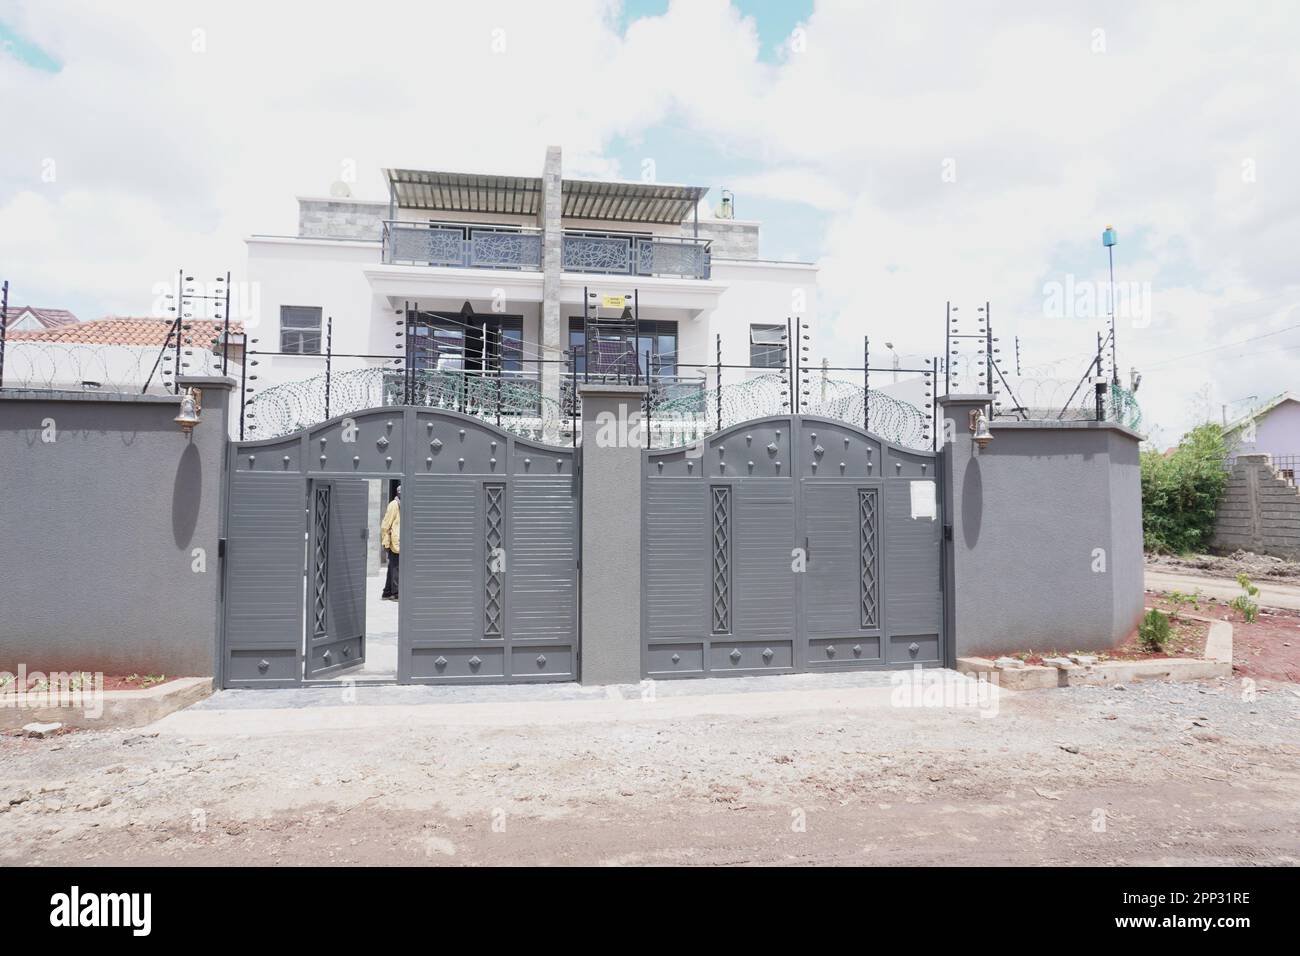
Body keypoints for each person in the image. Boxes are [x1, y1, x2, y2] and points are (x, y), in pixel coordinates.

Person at [380, 483, 401, 601]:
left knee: (392, 566)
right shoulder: (394, 505)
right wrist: (386, 542)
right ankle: (395, 593)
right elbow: (385, 525)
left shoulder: (400, 504)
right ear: (398, 493)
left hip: (397, 541)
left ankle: (387, 592)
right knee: (396, 567)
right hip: (394, 541)